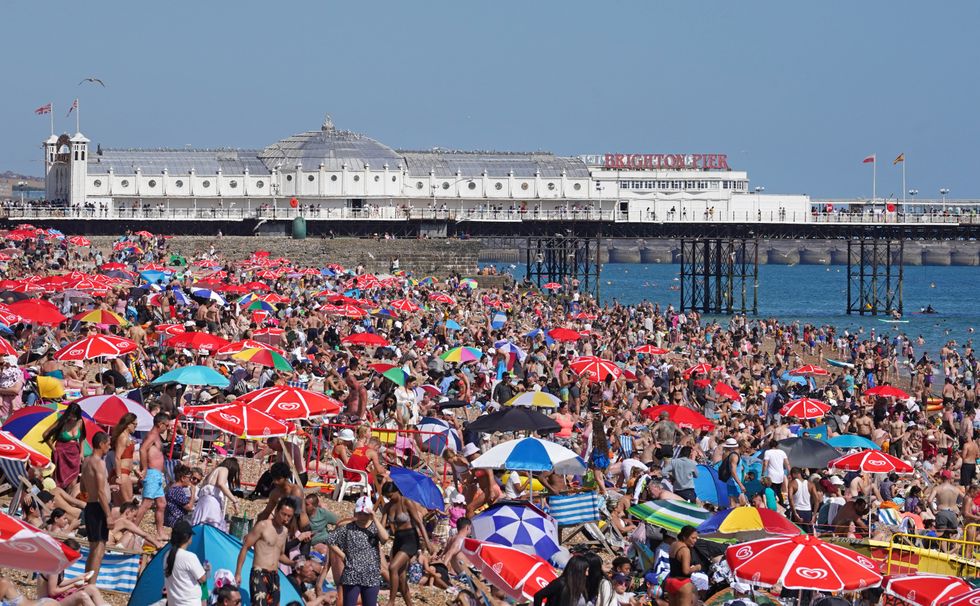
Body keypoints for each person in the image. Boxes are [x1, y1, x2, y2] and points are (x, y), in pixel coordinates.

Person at [327, 495, 390, 606]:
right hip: (352, 573)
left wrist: (375, 518)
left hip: (371, 575)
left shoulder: (374, 528)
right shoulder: (348, 528)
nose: (362, 516)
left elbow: (385, 538)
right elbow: (330, 540)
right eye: (359, 513)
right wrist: (342, 556)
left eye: (365, 513)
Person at [235, 497, 295, 606]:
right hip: (259, 572)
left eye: (289, 516)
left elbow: (280, 555)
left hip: (274, 575)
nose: (285, 518)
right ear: (276, 511)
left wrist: (293, 563)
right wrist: (238, 572)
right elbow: (245, 547)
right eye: (283, 514)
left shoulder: (284, 531)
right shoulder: (263, 526)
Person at [381, 481, 433, 606]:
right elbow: (382, 526)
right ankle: (409, 604)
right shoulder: (388, 506)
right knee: (401, 577)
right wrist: (383, 513)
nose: (389, 498)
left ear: (397, 491)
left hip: (411, 539)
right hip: (398, 540)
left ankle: (391, 601)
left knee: (393, 567)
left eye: (390, 495)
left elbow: (420, 523)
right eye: (387, 496)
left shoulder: (406, 502)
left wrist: (427, 542)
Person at [80, 431, 112, 585]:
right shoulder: (99, 463)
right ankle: (91, 586)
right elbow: (100, 491)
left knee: (93, 548)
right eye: (108, 443)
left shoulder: (86, 461)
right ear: (101, 444)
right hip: (100, 507)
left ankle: (86, 583)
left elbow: (83, 488)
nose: (110, 446)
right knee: (99, 550)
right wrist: (108, 515)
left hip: (91, 506)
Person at [136, 413, 171, 537]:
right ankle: (132, 530)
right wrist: (144, 468)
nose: (167, 428)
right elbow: (142, 449)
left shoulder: (156, 436)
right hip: (152, 473)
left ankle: (160, 532)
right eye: (166, 425)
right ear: (160, 424)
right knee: (146, 504)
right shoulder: (152, 435)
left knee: (161, 504)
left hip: (156, 475)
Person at [43, 402, 86, 493]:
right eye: (71, 415)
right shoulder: (62, 421)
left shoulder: (80, 422)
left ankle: (69, 502)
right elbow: (45, 434)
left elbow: (82, 438)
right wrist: (54, 449)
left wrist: (82, 453)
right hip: (61, 454)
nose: (72, 418)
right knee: (60, 481)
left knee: (73, 481)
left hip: (74, 455)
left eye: (74, 416)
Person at [164, 520, 209, 605]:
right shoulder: (189, 557)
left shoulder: (167, 555)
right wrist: (206, 570)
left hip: (173, 602)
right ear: (187, 537)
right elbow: (203, 579)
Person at [193, 457, 241, 531]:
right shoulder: (224, 469)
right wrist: (235, 501)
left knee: (199, 527)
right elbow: (221, 484)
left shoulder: (213, 471)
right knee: (213, 528)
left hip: (202, 502)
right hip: (212, 502)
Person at [665, 526, 701, 606]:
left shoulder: (673, 544)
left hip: (670, 581)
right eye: (693, 538)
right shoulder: (685, 550)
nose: (695, 541)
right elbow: (686, 571)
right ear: (684, 537)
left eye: (696, 538)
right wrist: (697, 568)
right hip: (682, 583)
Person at [109, 413, 139, 505]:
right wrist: (119, 477)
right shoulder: (123, 437)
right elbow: (117, 457)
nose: (135, 427)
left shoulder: (125, 437)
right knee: (128, 505)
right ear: (128, 424)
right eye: (134, 424)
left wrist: (133, 469)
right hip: (122, 474)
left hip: (123, 473)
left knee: (119, 506)